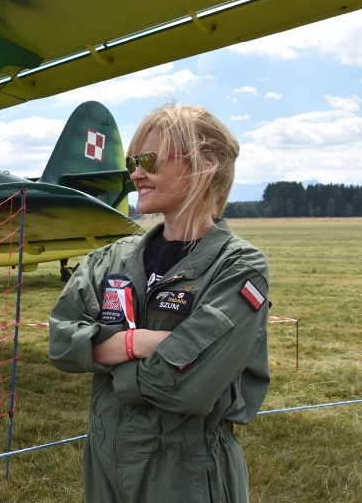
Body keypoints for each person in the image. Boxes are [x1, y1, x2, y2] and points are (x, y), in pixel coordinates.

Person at [49, 103, 270, 503]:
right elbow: (61, 344)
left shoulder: (239, 267)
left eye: (149, 159)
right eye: (134, 161)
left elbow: (184, 389)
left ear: (205, 164)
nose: (135, 173)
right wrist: (137, 344)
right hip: (102, 455)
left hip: (184, 469)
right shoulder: (111, 258)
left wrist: (109, 362)